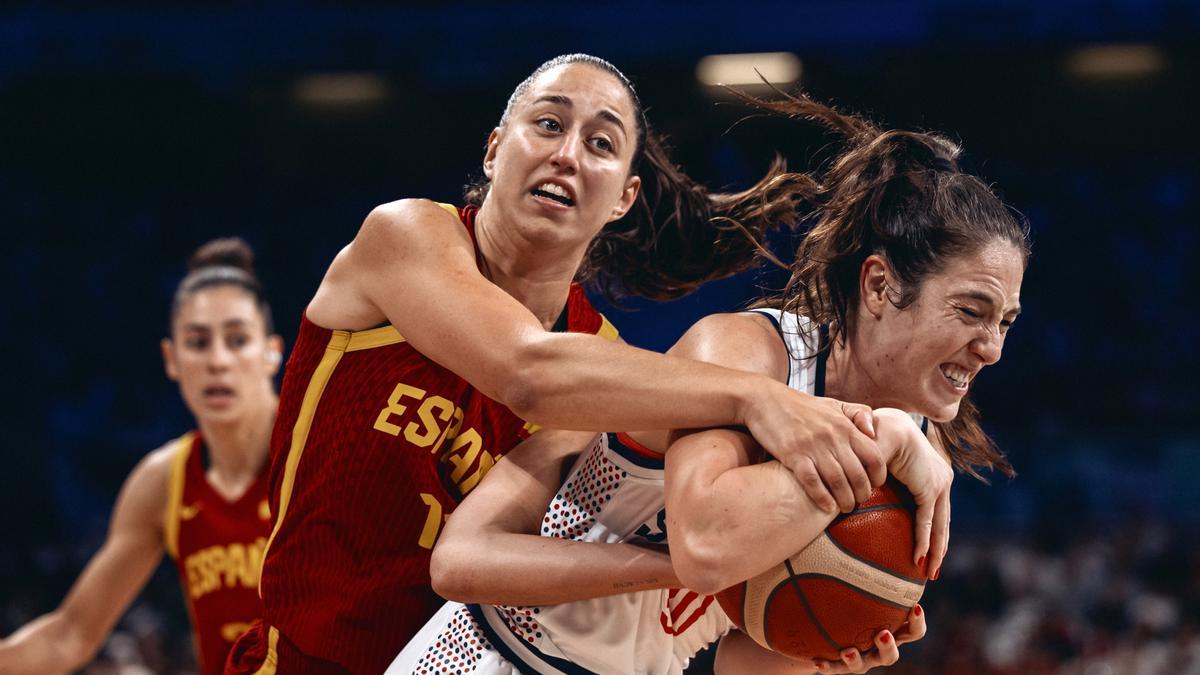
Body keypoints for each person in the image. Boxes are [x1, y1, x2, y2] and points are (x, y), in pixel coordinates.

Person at [225, 54, 940, 674]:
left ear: (624, 197)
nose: (568, 153)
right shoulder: (406, 236)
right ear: (494, 149)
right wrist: (761, 399)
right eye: (547, 124)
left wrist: (815, 622)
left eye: (601, 142)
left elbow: (648, 629)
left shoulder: (613, 368)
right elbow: (528, 370)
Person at [392, 89, 1028, 674]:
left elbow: (742, 657)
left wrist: (824, 642)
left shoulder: (914, 451)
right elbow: (704, 547)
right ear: (881, 285)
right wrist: (881, 440)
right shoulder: (748, 352)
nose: (992, 348)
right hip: (490, 657)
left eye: (1005, 321)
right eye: (970, 311)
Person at [0, 238, 284, 675]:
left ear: (272, 351)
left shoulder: (317, 449)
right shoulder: (162, 480)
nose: (218, 361)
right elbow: (70, 636)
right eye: (198, 342)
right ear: (172, 359)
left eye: (238, 339)